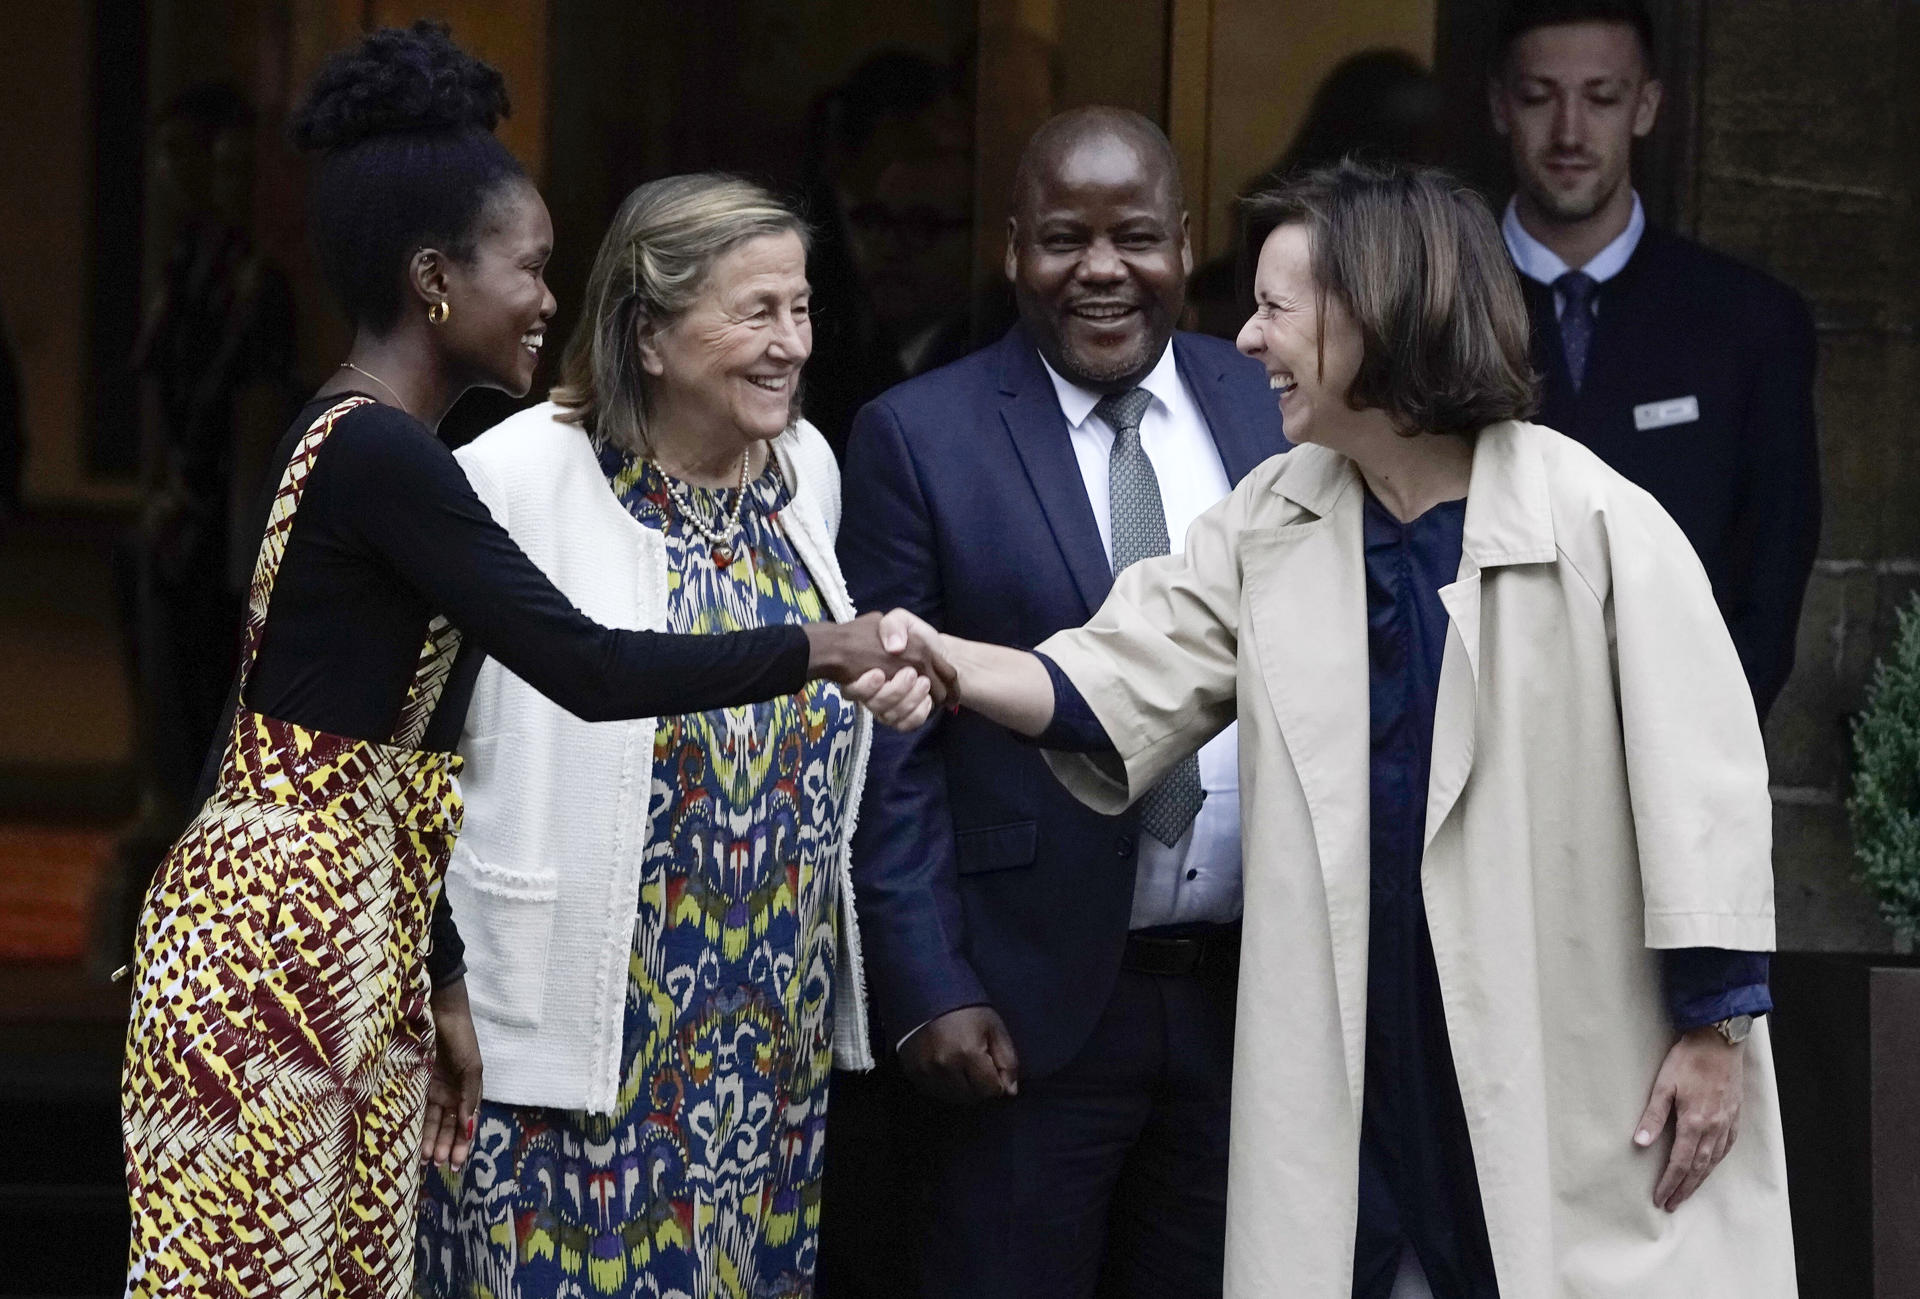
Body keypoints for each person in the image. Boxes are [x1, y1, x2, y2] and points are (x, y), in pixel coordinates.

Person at [118, 25, 943, 1299]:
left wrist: (436, 972)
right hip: (281, 940)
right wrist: (822, 648)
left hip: (346, 928)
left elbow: (412, 744)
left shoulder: (376, 436)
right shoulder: (395, 455)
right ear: (437, 279)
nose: (552, 301)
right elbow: (590, 669)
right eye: (534, 268)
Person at [890, 161, 1794, 1297]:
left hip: (1556, 1045)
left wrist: (1717, 1035)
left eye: (1276, 308)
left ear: (1378, 311)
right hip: (1363, 1047)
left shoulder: (1597, 521)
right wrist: (954, 663)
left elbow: (1702, 786)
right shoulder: (1276, 514)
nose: (1249, 340)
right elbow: (1114, 676)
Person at [835, 106, 1288, 1297]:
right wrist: (928, 984)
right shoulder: (918, 437)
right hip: (1025, 1012)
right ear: (1012, 251)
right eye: (1062, 240)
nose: (1100, 269)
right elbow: (889, 751)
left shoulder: (1275, 410)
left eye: (1133, 236)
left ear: (1186, 245)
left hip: (1258, 1003)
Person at [413, 174, 873, 1298]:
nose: (788, 345)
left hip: (761, 1040)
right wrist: (439, 976)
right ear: (648, 334)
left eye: (800, 309)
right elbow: (403, 756)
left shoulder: (806, 471)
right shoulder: (512, 480)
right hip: (571, 1040)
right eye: (754, 312)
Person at [1489, 0, 1820, 722]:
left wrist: (1690, 749)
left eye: (1601, 97)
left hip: (1679, 767)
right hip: (1460, 766)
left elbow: (1770, 581)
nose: (1570, 132)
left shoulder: (1751, 324)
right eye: (1541, 97)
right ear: (1500, 106)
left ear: (1646, 106)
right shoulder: (1429, 306)